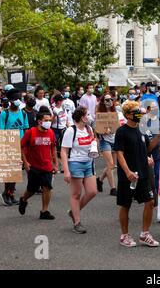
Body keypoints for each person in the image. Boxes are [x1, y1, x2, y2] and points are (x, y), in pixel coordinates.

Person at [114, 101, 160, 247]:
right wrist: (127, 171)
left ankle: (145, 234)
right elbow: (119, 154)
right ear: (127, 115)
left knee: (150, 202)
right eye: (135, 112)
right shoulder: (122, 131)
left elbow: (148, 147)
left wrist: (159, 136)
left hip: (143, 173)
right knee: (125, 205)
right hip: (128, 176)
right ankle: (124, 236)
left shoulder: (142, 129)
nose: (139, 114)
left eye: (139, 111)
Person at [61, 106, 98, 234]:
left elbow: (93, 141)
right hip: (75, 163)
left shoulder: (89, 129)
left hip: (89, 162)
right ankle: (77, 222)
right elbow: (64, 151)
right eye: (87, 115)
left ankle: (73, 211)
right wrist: (66, 171)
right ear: (82, 117)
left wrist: (94, 145)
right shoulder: (71, 131)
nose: (89, 117)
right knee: (76, 194)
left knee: (92, 191)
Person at [18, 111, 58, 219]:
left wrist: (55, 164)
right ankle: (23, 199)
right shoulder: (31, 132)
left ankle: (44, 211)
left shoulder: (50, 132)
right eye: (46, 120)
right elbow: (21, 146)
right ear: (39, 121)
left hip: (46, 165)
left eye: (50, 120)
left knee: (47, 187)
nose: (48, 122)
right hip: (33, 166)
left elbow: (53, 148)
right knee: (32, 189)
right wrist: (25, 162)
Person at [0, 89, 29, 206]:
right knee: (10, 171)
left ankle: (11, 193)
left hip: (20, 146)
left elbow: (25, 130)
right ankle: (6, 192)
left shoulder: (23, 113)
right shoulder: (4, 114)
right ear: (11, 101)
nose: (18, 101)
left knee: (16, 172)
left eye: (20, 99)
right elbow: (1, 132)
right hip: (9, 146)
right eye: (16, 99)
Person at [95, 94, 118, 196]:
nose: (109, 101)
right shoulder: (100, 114)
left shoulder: (115, 112)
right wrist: (104, 130)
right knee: (110, 164)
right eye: (106, 99)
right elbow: (97, 128)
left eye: (110, 99)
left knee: (112, 165)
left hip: (115, 140)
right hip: (105, 140)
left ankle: (99, 180)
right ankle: (113, 188)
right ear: (103, 101)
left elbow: (118, 125)